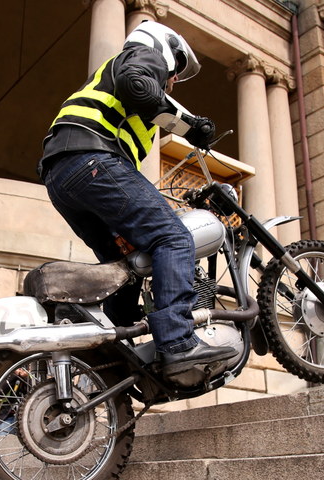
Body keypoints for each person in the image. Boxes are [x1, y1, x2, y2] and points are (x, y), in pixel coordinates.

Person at [38, 21, 235, 381]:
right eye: (174, 73)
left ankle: (111, 359)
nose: (171, 81)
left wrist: (189, 125)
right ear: (166, 51)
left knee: (124, 269)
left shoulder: (116, 81)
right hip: (92, 160)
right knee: (173, 238)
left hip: (63, 177)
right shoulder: (141, 57)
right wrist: (193, 126)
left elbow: (156, 105)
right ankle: (177, 343)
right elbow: (137, 84)